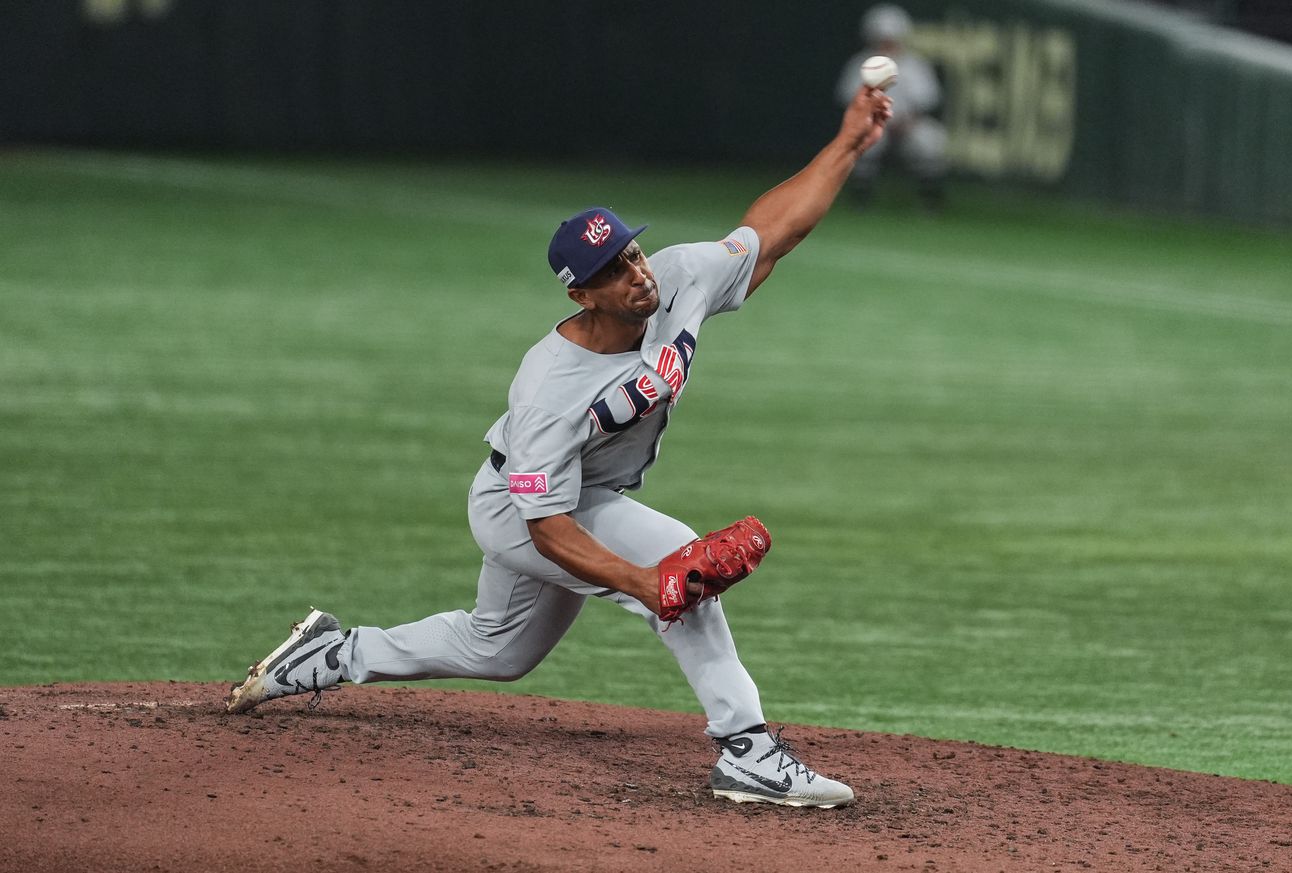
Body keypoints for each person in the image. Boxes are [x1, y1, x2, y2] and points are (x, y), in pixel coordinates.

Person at [225, 84, 894, 810]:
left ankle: (329, 653)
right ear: (582, 295)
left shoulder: (676, 279)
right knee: (679, 566)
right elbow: (545, 525)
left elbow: (773, 230)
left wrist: (850, 141)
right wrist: (644, 584)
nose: (637, 274)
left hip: (586, 496)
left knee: (498, 649)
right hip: (523, 508)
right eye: (613, 271)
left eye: (633, 254)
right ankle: (748, 750)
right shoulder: (549, 387)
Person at [836, 3, 948, 209]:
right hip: (873, 123)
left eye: (891, 39)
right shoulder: (860, 63)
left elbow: (927, 101)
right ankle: (861, 194)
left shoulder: (915, 64)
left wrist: (908, 122)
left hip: (909, 124)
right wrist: (876, 121)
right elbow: (850, 100)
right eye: (882, 39)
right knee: (864, 138)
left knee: (930, 138)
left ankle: (929, 197)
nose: (887, 44)